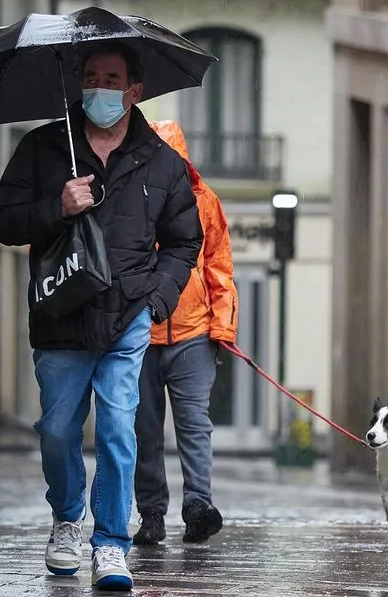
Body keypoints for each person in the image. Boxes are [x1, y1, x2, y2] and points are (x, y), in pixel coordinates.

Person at [0, 42, 202, 591]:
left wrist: (157, 297)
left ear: (134, 91)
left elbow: (184, 241)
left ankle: (111, 543)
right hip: (61, 313)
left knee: (117, 426)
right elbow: (4, 222)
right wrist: (56, 207)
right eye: (91, 77)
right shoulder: (41, 149)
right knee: (58, 431)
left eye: (112, 79)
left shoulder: (163, 161)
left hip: (128, 313)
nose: (100, 89)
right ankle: (66, 519)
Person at [132, 119, 238, 545]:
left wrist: (222, 325)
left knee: (194, 423)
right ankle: (152, 513)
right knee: (144, 427)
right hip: (140, 333)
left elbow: (219, 266)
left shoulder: (205, 201)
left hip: (193, 333)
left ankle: (198, 505)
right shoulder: (129, 198)